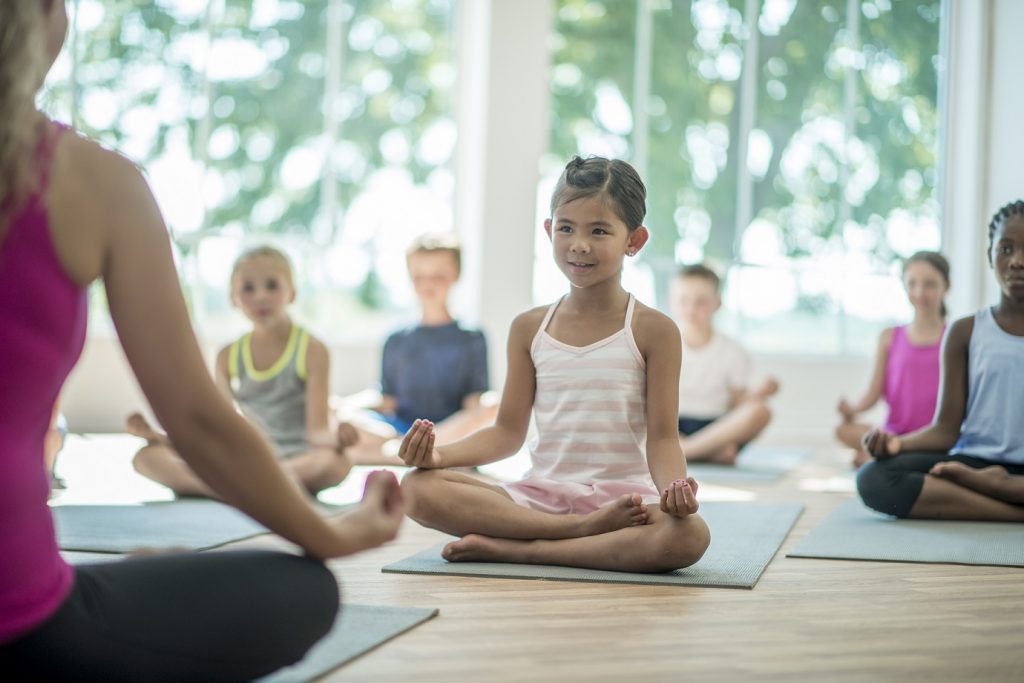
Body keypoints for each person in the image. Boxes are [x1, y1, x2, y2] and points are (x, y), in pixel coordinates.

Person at [0, 3, 403, 679]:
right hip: (24, 621)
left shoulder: (308, 346)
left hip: (295, 456)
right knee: (305, 589)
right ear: (43, 14)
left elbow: (280, 428)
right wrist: (331, 530)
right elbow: (201, 421)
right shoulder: (91, 180)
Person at [396, 156, 710, 573]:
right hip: (541, 498)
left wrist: (673, 489)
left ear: (634, 240)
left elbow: (664, 438)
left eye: (599, 230)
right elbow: (507, 433)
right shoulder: (529, 328)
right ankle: (578, 532)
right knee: (416, 488)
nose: (579, 244)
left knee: (689, 535)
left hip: (626, 504)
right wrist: (436, 458)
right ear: (549, 230)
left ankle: (526, 550)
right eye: (566, 228)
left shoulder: (655, 330)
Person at [127, 246, 355, 497]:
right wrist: (162, 437)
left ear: (292, 293)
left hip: (296, 458)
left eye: (271, 285)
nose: (260, 296)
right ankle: (259, 488)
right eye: (248, 288)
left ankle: (232, 488)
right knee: (146, 457)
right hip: (245, 459)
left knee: (335, 464)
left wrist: (339, 439)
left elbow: (318, 431)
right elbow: (218, 429)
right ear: (233, 299)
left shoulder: (313, 350)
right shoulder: (227, 356)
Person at [858, 201, 1024, 521]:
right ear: (990, 254)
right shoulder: (965, 331)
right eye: (1006, 249)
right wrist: (897, 445)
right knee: (874, 478)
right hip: (975, 460)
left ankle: (995, 489)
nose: (1017, 261)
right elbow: (946, 430)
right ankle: (1011, 508)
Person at [339, 234, 496, 464]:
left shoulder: (471, 338)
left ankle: (406, 452)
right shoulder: (396, 339)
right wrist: (343, 406)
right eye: (419, 276)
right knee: (337, 411)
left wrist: (490, 406)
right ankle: (415, 452)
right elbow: (387, 399)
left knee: (494, 405)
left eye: (438, 276)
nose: (427, 284)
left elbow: (475, 403)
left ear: (456, 275)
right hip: (400, 428)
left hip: (448, 428)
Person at [836, 252, 949, 467]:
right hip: (894, 434)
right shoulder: (889, 337)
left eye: (930, 284)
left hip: (936, 438)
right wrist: (851, 410)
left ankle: (883, 456)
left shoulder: (955, 337)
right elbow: (872, 393)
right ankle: (889, 452)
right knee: (843, 432)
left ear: (947, 286)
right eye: (912, 284)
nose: (919, 292)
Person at [668, 264, 779, 464]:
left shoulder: (733, 350)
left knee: (761, 411)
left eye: (700, 302)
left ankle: (686, 451)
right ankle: (707, 452)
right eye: (683, 301)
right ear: (672, 302)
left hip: (715, 426)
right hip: (671, 425)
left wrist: (760, 393)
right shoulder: (662, 342)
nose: (691, 309)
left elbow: (737, 404)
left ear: (717, 303)